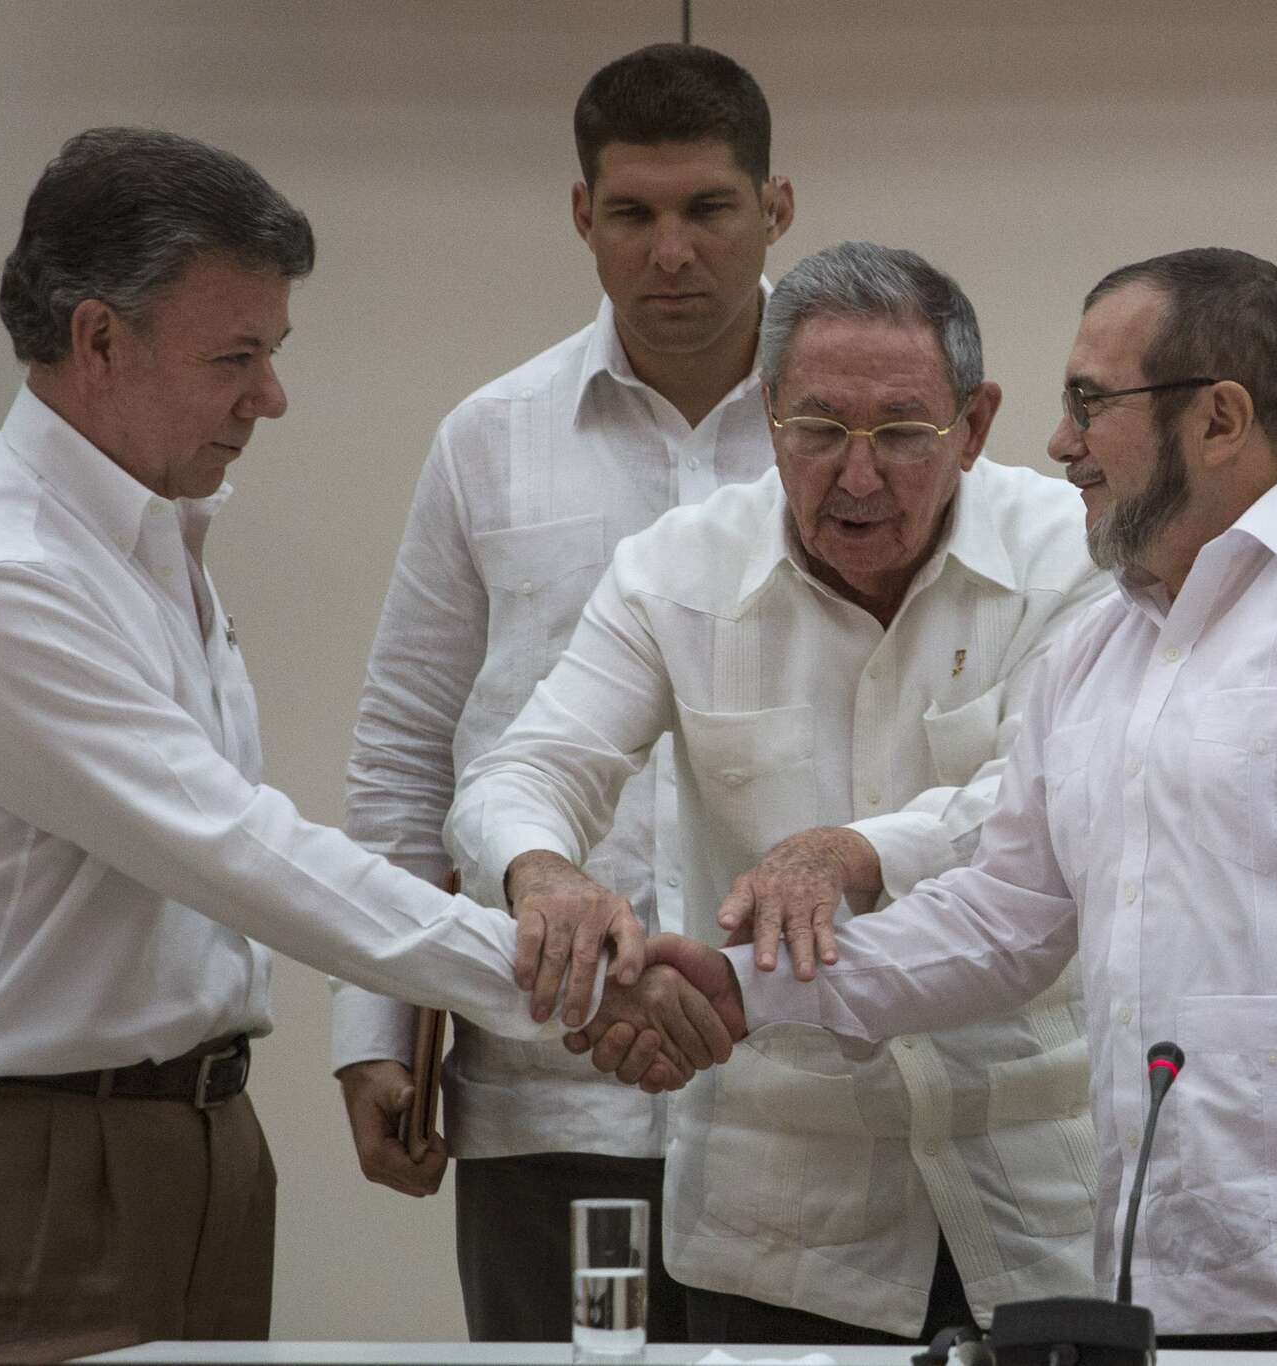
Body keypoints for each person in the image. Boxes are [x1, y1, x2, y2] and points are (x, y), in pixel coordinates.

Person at [584, 247, 1277, 1352]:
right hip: (1173, 1275)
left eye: (1091, 403)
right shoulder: (1094, 654)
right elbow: (1000, 921)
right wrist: (744, 988)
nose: (1060, 443)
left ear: (1219, 419)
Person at [0, 126, 670, 1350]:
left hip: (184, 1133)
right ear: (97, 340)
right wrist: (569, 982)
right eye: (236, 356)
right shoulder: (3, 576)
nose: (269, 396)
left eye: (272, 352)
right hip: (16, 1161)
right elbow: (244, 854)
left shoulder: (148, 532)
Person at [449, 240, 1113, 1346]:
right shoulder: (675, 571)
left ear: (975, 423)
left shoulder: (1074, 560)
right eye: (818, 428)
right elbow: (525, 769)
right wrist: (544, 870)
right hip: (780, 1225)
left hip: (1038, 1199)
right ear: (767, 416)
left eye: (901, 432)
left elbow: (1044, 805)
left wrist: (848, 851)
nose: (856, 476)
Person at [327, 44, 794, 1343]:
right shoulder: (491, 439)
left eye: (708, 208)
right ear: (582, 215)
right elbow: (410, 750)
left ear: (776, 208)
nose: (671, 252)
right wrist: (375, 1026)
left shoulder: (849, 440)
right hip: (549, 1080)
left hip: (800, 1092)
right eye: (632, 212)